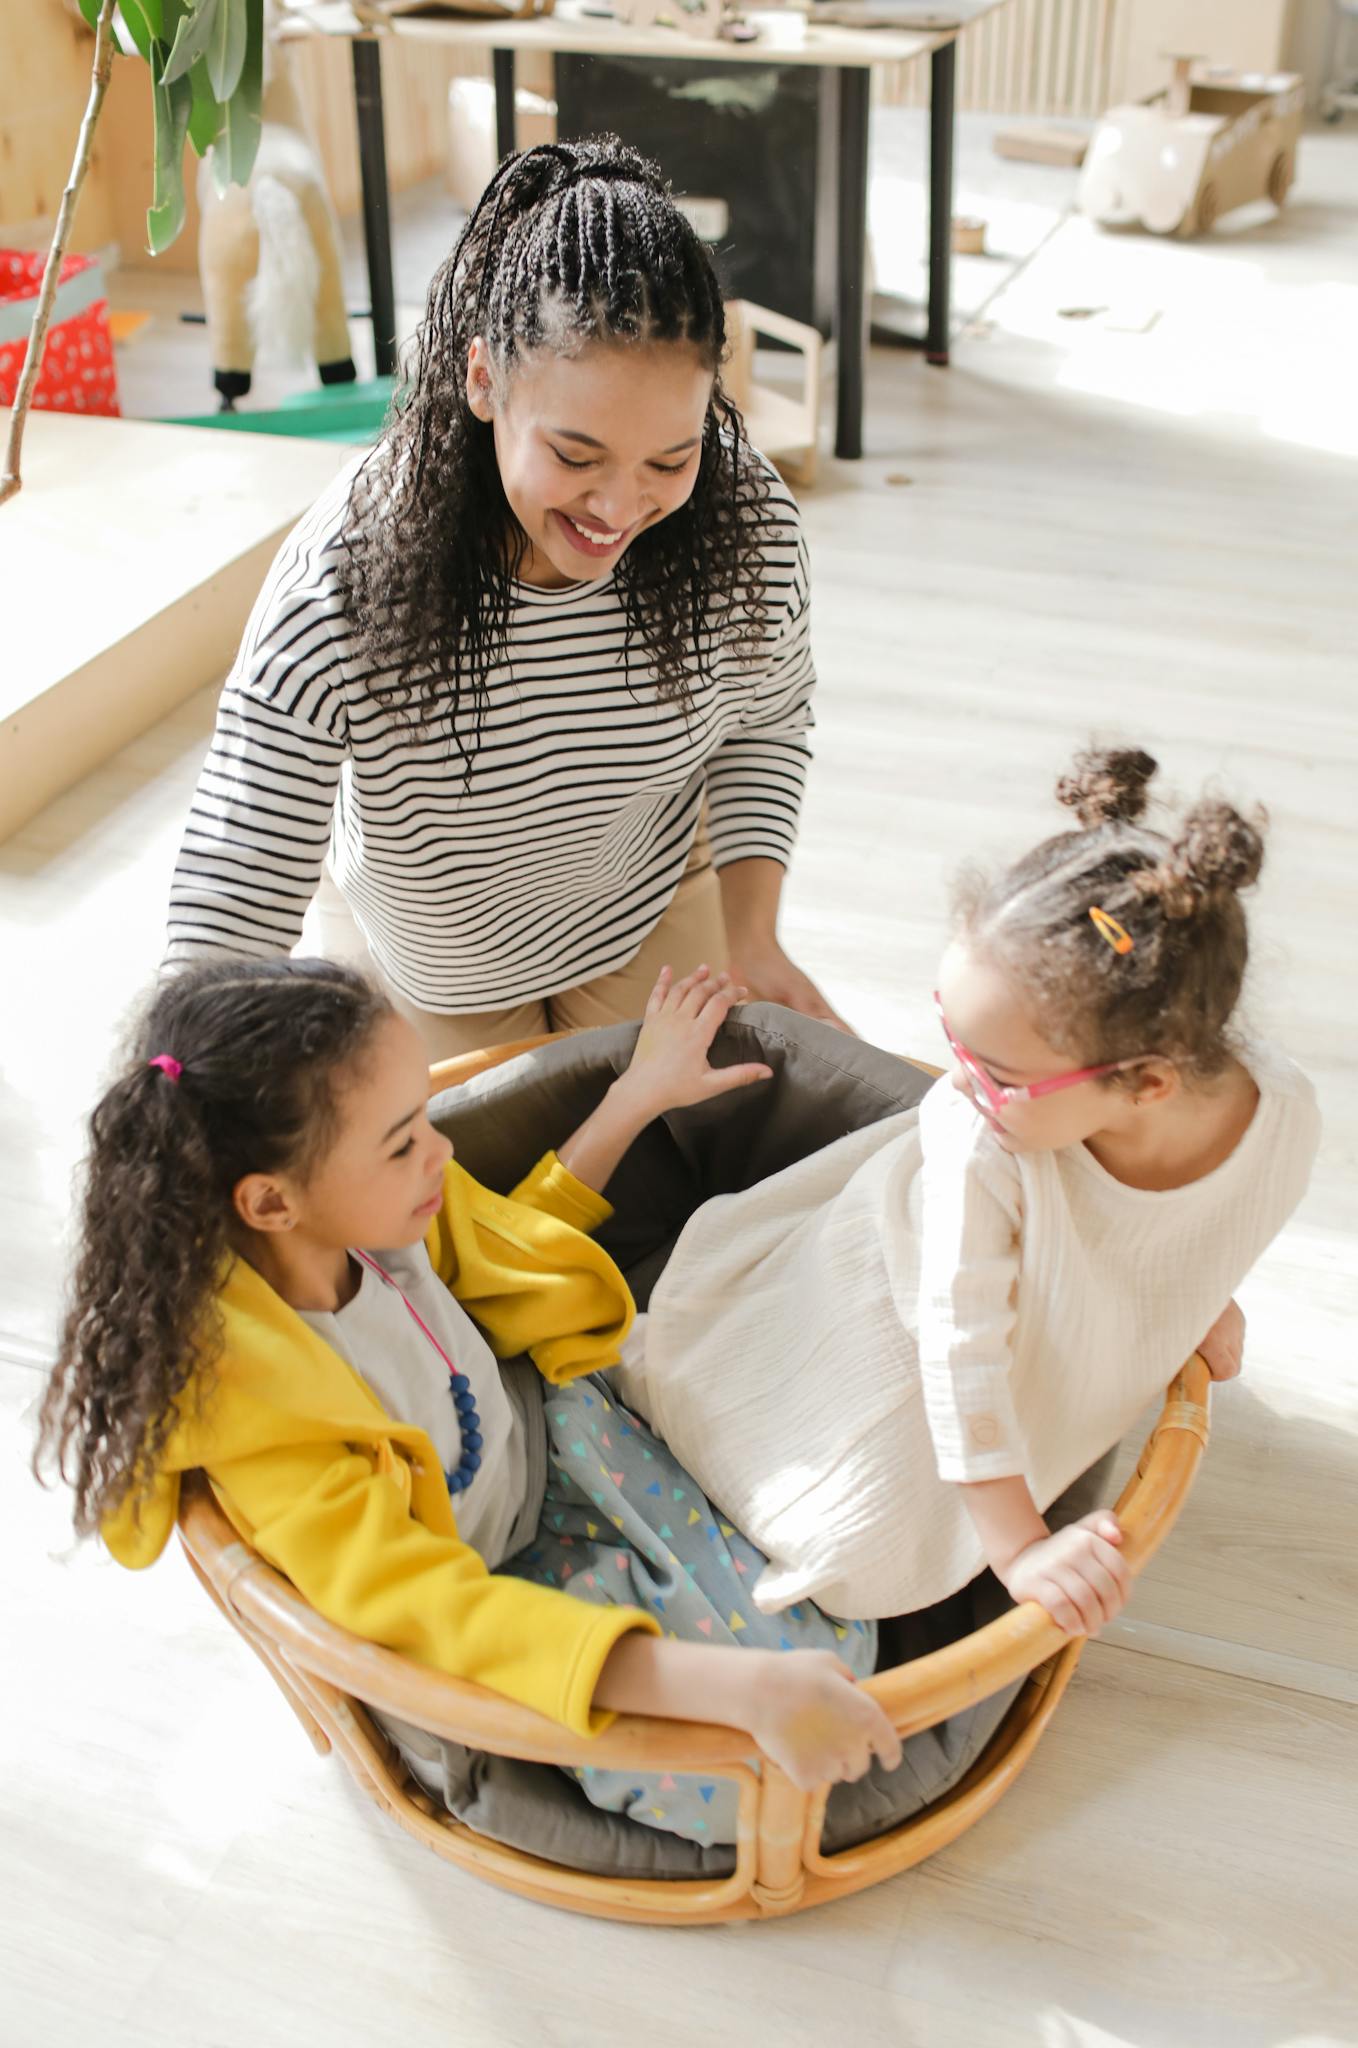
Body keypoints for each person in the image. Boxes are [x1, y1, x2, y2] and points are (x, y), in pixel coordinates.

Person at [34, 957, 898, 1848]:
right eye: (403, 1140)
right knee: (742, 1778)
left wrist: (637, 1097)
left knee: (835, 1597)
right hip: (506, 1580)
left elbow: (521, 1249)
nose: (440, 1147)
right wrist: (737, 1692)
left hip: (569, 1433)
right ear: (270, 1202)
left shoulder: (390, 1217)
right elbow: (431, 1607)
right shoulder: (266, 1416)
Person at [164, 136, 846, 1058]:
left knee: (667, 1169)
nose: (618, 506)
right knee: (477, 1188)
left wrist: (754, 937)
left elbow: (768, 717)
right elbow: (235, 870)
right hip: (442, 954)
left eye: (669, 459)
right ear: (483, 379)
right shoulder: (350, 569)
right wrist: (175, 1085)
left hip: (646, 896)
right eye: (575, 456)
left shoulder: (744, 519)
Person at [613, 749, 1321, 1634]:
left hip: (1011, 1316)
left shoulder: (1283, 1117)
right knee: (852, 1546)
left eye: (996, 1071)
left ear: (1146, 1084)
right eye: (949, 1032)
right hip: (887, 1301)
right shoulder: (978, 1139)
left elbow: (1218, 1213)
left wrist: (1199, 1289)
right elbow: (960, 1351)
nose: (955, 1082)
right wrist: (1019, 1546)